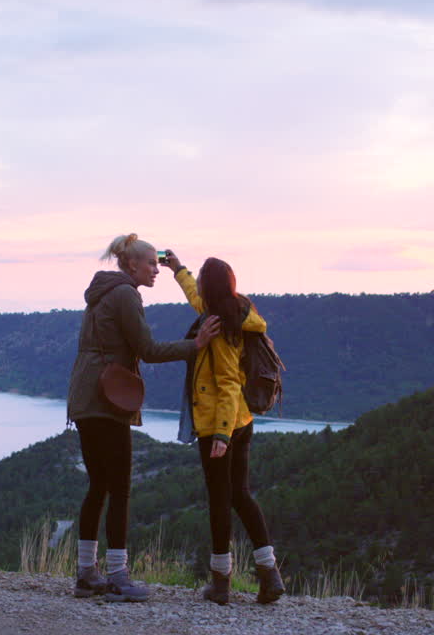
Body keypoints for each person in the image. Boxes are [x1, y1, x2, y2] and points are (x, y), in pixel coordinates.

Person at [66, 234, 221, 602]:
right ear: (131, 265)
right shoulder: (125, 294)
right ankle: (118, 576)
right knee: (119, 488)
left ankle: (86, 574)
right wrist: (195, 346)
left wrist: (173, 263)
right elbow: (148, 350)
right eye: (151, 263)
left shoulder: (102, 292)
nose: (155, 270)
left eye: (158, 262)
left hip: (85, 396)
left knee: (99, 486)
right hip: (106, 400)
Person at [164, 251, 286, 605]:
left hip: (220, 425)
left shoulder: (218, 330)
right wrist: (177, 269)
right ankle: (269, 573)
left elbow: (229, 383)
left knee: (220, 501)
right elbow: (196, 297)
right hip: (242, 421)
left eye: (200, 279)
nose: (197, 285)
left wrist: (220, 435)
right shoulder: (235, 311)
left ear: (211, 288)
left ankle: (220, 583)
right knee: (240, 495)